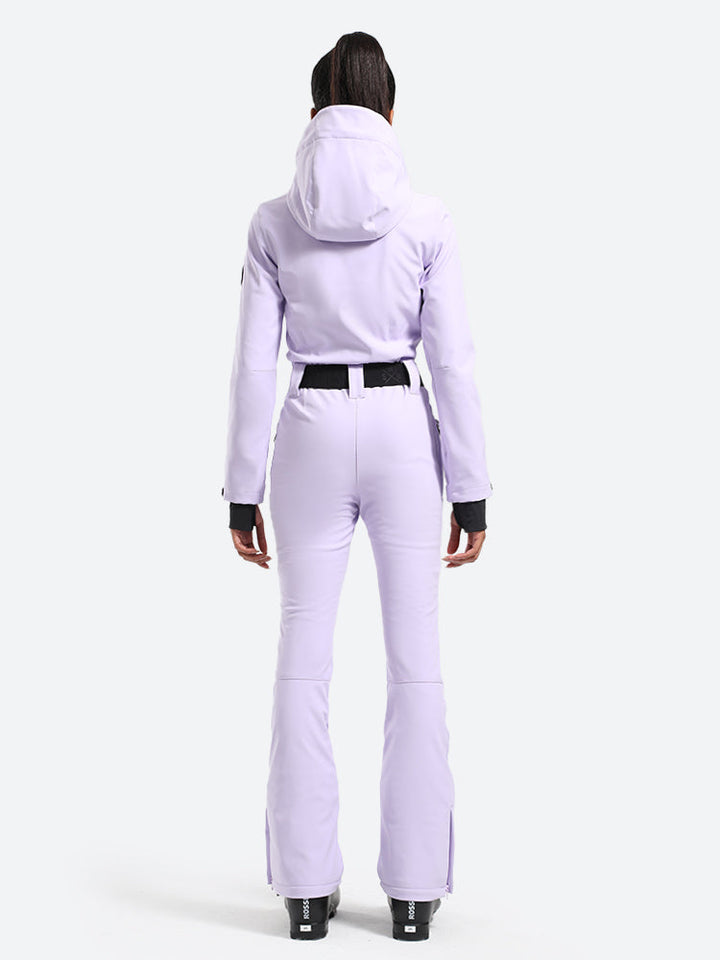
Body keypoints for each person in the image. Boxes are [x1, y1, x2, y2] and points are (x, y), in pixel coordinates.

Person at [222, 32, 493, 941]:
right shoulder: (428, 221)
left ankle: (305, 893)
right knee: (416, 662)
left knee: (303, 659)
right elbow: (452, 361)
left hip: (307, 426)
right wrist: (472, 486)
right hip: (402, 429)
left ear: (312, 114)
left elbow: (251, 366)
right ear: (389, 113)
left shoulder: (272, 222)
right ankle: (413, 896)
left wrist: (240, 488)